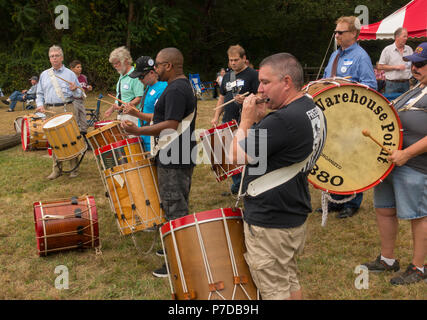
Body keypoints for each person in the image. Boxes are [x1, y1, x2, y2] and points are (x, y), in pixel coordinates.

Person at [228, 53, 325, 300]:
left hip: (270, 221)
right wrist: (262, 119)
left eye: (265, 82)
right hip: (292, 212)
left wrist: (246, 121)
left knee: (274, 290)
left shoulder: (282, 121)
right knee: (289, 279)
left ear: (286, 82)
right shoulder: (311, 107)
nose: (259, 89)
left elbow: (236, 156)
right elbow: (283, 148)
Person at [121, 48, 197, 278]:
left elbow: (170, 125)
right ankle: (172, 247)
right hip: (177, 152)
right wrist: (139, 116)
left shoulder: (175, 89)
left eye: (159, 65)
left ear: (170, 66)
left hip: (175, 154)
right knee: (171, 203)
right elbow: (161, 117)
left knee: (175, 207)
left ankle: (178, 263)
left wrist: (137, 130)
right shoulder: (181, 86)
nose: (156, 69)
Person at [362, 42, 427, 285]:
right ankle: (388, 259)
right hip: (391, 161)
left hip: (415, 163)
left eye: (421, 64)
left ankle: (419, 267)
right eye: (413, 64)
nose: (415, 68)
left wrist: (407, 154)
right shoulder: (416, 88)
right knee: (384, 209)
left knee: (418, 215)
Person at [322, 16, 377, 219]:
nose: (336, 35)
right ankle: (335, 198)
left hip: (352, 116)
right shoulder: (335, 55)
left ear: (353, 34)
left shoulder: (361, 56)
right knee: (335, 156)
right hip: (334, 116)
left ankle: (352, 201)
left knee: (351, 159)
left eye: (340, 32)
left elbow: (370, 86)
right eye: (335, 32)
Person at [211, 44, 259, 196]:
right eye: (230, 60)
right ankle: (238, 185)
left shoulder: (252, 75)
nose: (233, 63)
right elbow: (222, 97)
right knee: (230, 155)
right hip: (228, 121)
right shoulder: (227, 76)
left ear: (244, 59)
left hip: (246, 121)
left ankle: (243, 186)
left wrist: (246, 100)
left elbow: (260, 96)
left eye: (236, 60)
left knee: (245, 154)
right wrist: (216, 116)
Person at [36, 45, 84, 179]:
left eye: (57, 55)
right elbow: (39, 94)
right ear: (49, 58)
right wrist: (40, 105)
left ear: (62, 57)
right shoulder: (44, 75)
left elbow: (81, 93)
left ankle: (74, 168)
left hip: (66, 108)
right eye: (52, 56)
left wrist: (75, 89)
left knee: (70, 138)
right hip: (49, 110)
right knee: (54, 140)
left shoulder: (70, 74)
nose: (54, 58)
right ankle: (57, 170)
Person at [124, 56, 168, 152]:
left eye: (141, 76)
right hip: (145, 138)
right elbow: (148, 110)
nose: (139, 80)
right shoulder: (148, 87)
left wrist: (136, 114)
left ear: (152, 73)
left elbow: (160, 117)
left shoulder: (162, 88)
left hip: (156, 142)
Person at [104, 46, 144, 125]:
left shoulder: (135, 76)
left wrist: (124, 107)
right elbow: (120, 95)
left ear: (125, 61)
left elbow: (139, 97)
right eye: (113, 64)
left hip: (132, 116)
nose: (115, 66)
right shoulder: (122, 75)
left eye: (117, 63)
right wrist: (111, 109)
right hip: (122, 115)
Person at [377, 27, 413, 95]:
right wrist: (395, 67)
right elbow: (379, 66)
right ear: (397, 37)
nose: (406, 38)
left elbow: (413, 64)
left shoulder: (409, 49)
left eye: (407, 36)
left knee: (405, 105)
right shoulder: (387, 50)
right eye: (404, 36)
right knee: (392, 104)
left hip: (406, 84)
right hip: (392, 84)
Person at [70, 60, 93, 134]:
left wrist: (89, 88)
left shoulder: (83, 77)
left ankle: (84, 133)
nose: (80, 68)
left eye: (80, 67)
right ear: (72, 69)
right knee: (75, 118)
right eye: (78, 67)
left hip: (81, 100)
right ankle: (76, 134)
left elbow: (85, 87)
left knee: (83, 118)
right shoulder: (70, 78)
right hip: (73, 101)